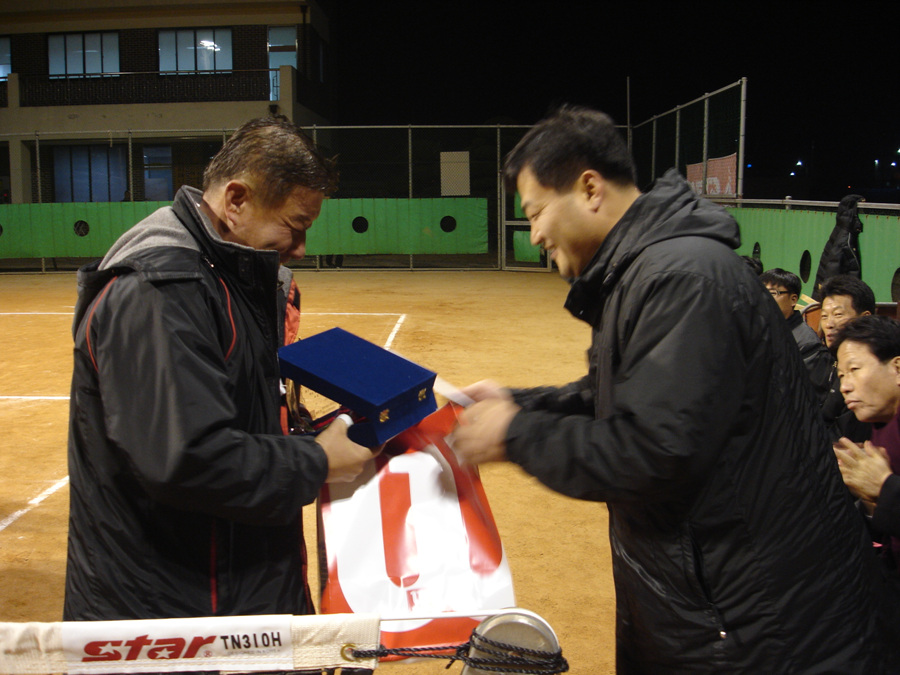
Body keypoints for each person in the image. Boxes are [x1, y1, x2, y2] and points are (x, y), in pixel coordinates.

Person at [452, 105, 885, 672]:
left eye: (536, 212)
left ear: (589, 189)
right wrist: (521, 403)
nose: (534, 234)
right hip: (726, 608)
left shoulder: (681, 277)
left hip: (759, 627)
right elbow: (628, 394)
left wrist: (516, 433)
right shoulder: (653, 269)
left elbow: (655, 450)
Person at [64, 116, 376, 621]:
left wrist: (308, 430)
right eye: (295, 225)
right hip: (171, 615)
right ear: (236, 201)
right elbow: (187, 458)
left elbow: (234, 409)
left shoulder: (233, 272)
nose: (301, 247)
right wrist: (315, 461)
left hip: (236, 585)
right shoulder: (160, 291)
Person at [759, 267, 832, 404]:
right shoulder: (763, 331)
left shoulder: (807, 343)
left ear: (793, 299)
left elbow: (809, 396)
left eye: (772, 293)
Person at [820, 274, 876, 442]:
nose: (829, 324)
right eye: (824, 316)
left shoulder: (874, 366)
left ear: (865, 318)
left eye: (838, 314)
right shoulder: (831, 358)